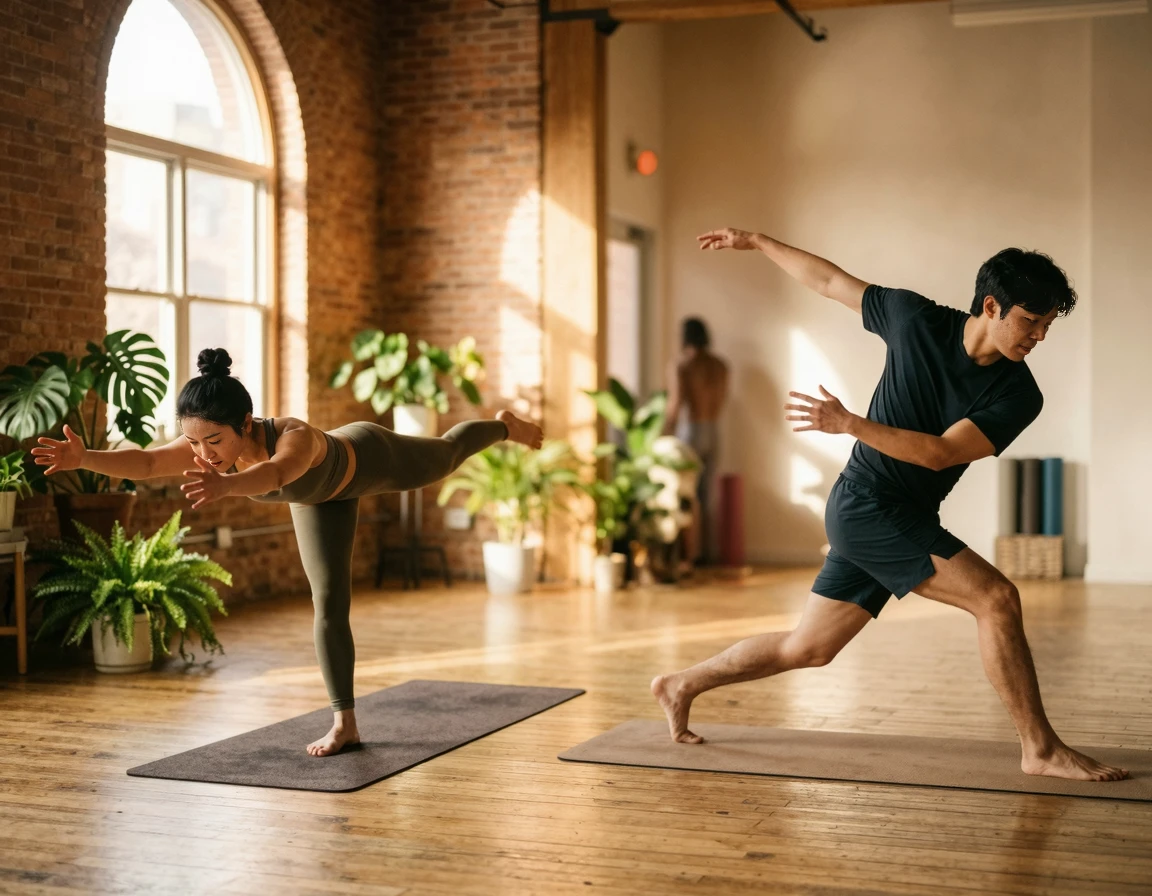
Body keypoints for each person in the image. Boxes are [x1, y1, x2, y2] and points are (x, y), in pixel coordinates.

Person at [650, 229, 1128, 783]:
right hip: (868, 507)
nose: (1040, 336)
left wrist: (850, 424)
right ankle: (1039, 748)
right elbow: (829, 281)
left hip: (898, 514)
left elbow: (941, 454)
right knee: (997, 599)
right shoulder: (913, 318)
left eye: (1047, 326)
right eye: (1030, 321)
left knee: (807, 648)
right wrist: (757, 241)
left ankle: (680, 684)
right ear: (991, 305)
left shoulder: (1019, 394)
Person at [32, 348, 543, 758]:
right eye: (193, 443)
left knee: (449, 452)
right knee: (329, 605)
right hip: (319, 501)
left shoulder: (293, 437)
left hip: (370, 457)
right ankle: (345, 722)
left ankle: (504, 427)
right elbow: (144, 463)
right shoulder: (205, 450)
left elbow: (276, 476)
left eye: (214, 441)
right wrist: (85, 457)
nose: (204, 454)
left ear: (247, 422)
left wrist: (225, 487)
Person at [663, 317, 729, 565]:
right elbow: (722, 399)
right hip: (713, 430)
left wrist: (664, 434)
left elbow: (675, 403)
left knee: (685, 494)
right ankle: (705, 554)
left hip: (690, 430)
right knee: (705, 494)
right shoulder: (720, 365)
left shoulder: (682, 364)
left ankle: (688, 556)